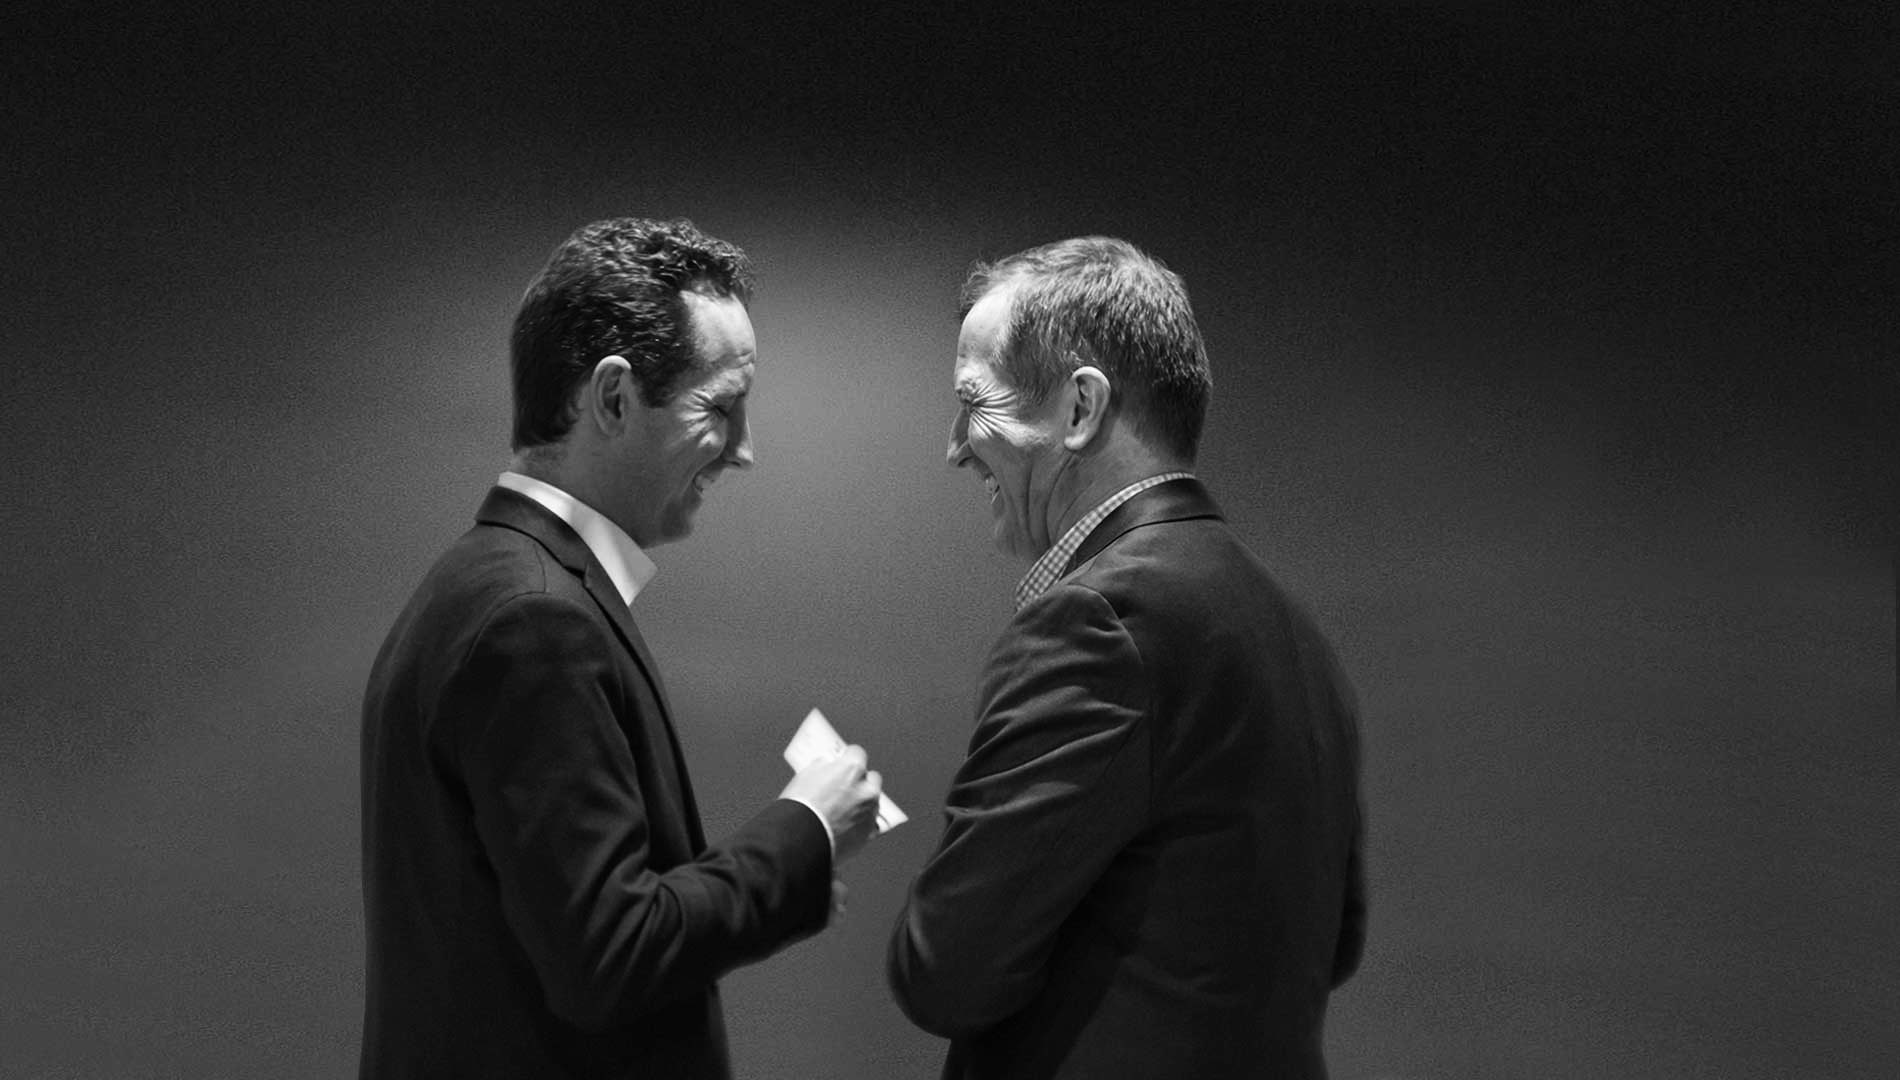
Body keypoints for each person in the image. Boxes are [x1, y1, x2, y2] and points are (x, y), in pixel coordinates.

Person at [359, 217, 883, 1079]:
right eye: (720, 408)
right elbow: (610, 957)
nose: (745, 451)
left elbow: (587, 930)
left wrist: (788, 870)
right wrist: (808, 828)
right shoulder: (535, 621)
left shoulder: (491, 585)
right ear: (610, 399)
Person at [887, 236, 1368, 1079]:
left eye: (975, 402)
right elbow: (1335, 946)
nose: (956, 444)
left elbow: (944, 970)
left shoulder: (1097, 621)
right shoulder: (1300, 636)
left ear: (1080, 408)